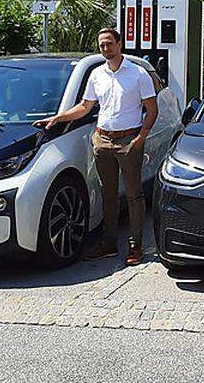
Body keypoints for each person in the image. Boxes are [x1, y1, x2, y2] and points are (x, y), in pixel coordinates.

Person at [36, 28, 157, 265]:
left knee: (134, 195)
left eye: (109, 44)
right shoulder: (97, 75)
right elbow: (85, 106)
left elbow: (152, 109)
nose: (105, 49)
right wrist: (57, 118)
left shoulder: (138, 73)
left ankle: (136, 246)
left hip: (128, 139)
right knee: (108, 194)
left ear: (120, 44)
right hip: (103, 139)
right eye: (101, 45)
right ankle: (109, 243)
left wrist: (140, 138)